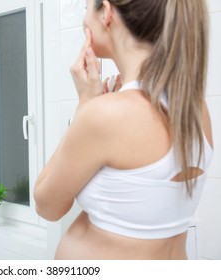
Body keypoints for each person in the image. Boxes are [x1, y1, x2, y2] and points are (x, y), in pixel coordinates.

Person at [34, 0, 213, 259]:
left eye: (86, 8)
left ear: (106, 12)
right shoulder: (194, 108)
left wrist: (85, 105)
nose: (84, 20)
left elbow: (46, 205)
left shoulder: (106, 114)